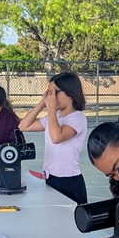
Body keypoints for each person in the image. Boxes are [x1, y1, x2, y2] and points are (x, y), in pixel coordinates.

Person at [18, 72, 88, 204]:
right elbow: (23, 126)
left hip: (69, 181)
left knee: (72, 220)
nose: (52, 97)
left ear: (69, 93)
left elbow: (57, 137)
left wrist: (51, 109)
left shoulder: (77, 117)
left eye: (55, 92)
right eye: (49, 93)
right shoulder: (53, 117)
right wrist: (42, 103)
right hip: (51, 178)